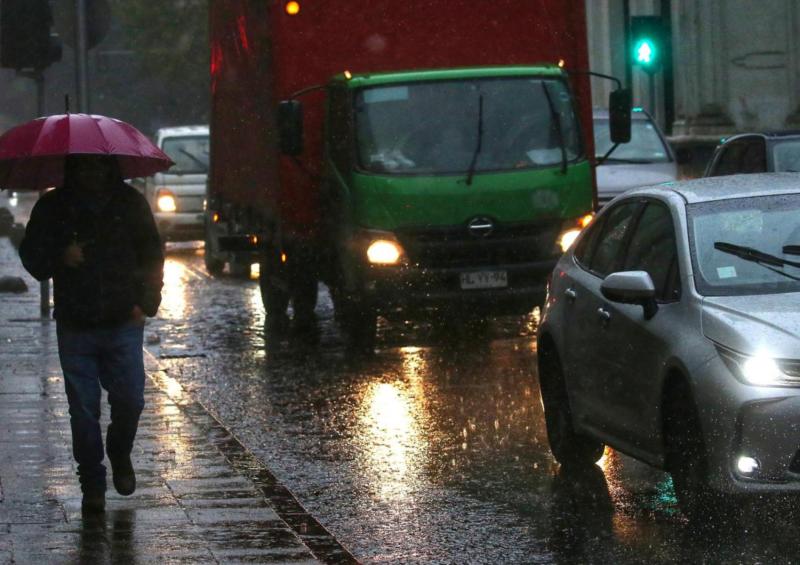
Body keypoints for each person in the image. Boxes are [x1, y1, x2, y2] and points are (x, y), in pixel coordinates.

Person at [19, 154, 164, 513]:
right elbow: (33, 258)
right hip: (76, 323)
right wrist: (60, 256)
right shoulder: (54, 206)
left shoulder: (130, 203)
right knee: (82, 410)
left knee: (130, 399)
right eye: (84, 166)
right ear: (73, 168)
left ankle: (119, 451)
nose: (92, 173)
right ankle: (92, 483)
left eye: (98, 166)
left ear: (110, 166)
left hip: (123, 320)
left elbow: (151, 252)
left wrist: (144, 302)